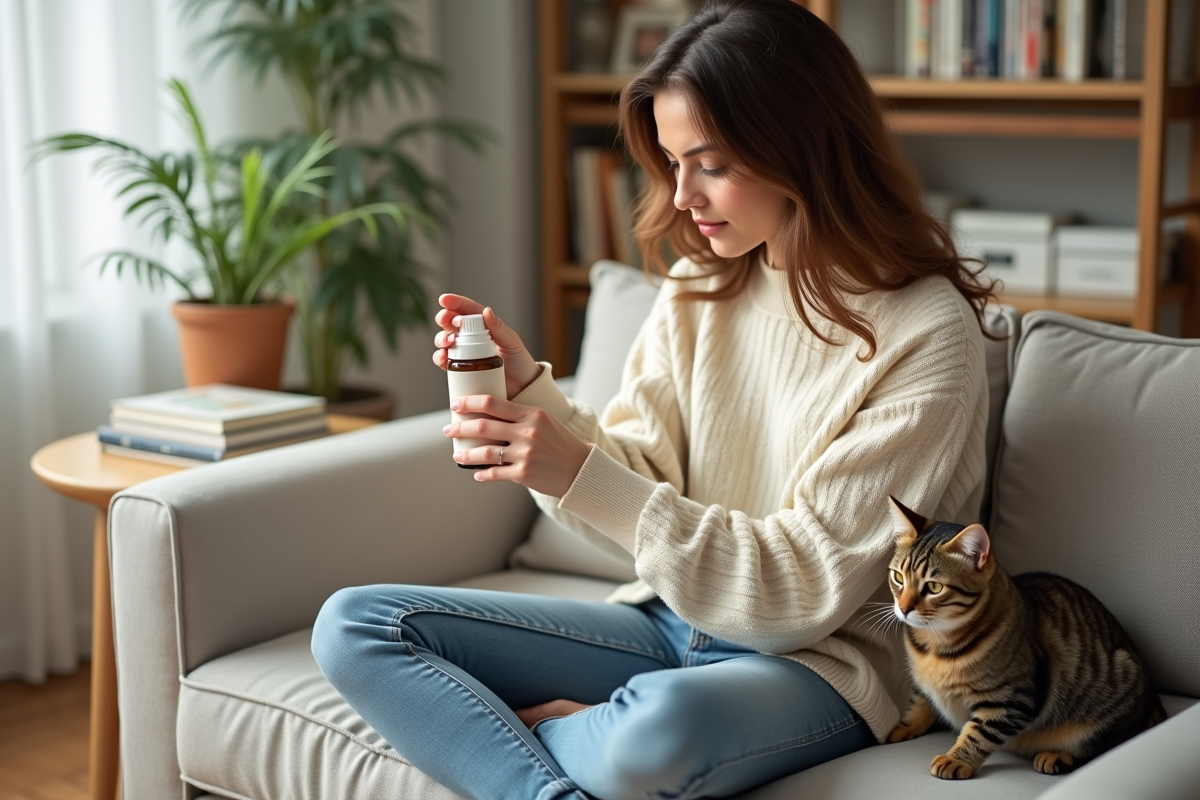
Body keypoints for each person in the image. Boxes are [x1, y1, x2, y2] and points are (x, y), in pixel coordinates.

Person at [311, 1, 995, 798]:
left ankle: (558, 735)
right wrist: (537, 400)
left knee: (657, 730)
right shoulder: (699, 286)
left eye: (710, 164)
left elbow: (799, 594)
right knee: (356, 626)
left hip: (814, 663)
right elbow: (638, 480)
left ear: (802, 147)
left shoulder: (924, 333)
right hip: (668, 618)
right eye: (672, 164)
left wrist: (579, 472)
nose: (680, 198)